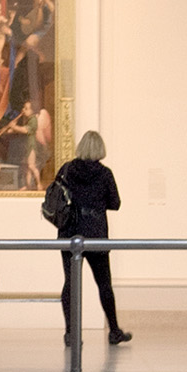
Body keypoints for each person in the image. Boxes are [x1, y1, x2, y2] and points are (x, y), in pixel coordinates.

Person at [50, 130, 131, 344]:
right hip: (95, 234)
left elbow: (56, 197)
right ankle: (114, 330)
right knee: (104, 284)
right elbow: (115, 203)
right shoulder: (105, 174)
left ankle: (71, 333)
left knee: (70, 283)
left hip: (69, 233)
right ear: (100, 149)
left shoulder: (67, 169)